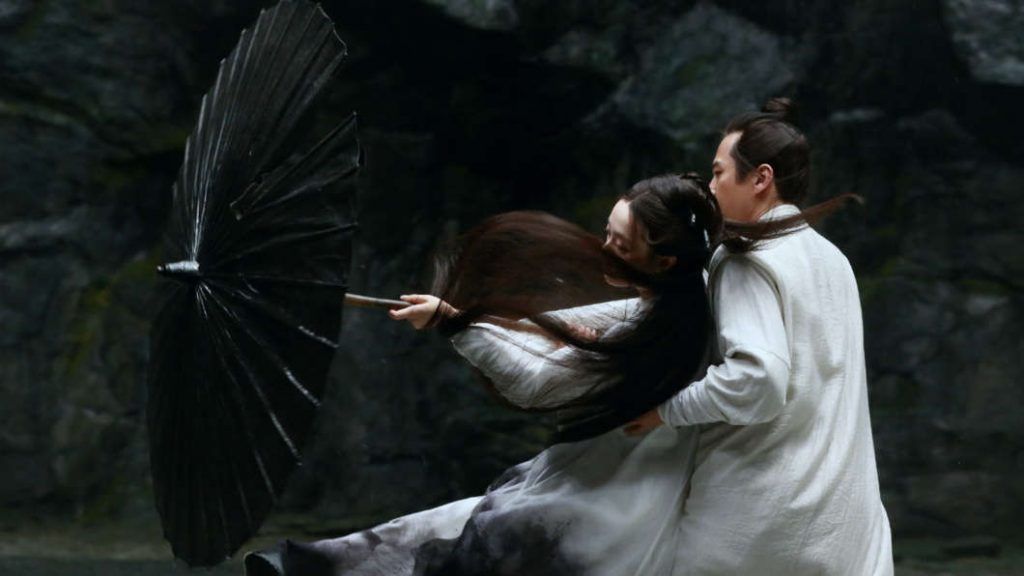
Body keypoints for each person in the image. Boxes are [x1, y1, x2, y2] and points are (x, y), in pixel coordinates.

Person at [244, 174, 726, 576]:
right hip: (603, 480)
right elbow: (569, 327)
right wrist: (462, 317)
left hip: (607, 508)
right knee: (434, 534)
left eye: (619, 244)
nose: (603, 248)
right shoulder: (682, 297)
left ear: (664, 261)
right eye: (607, 233)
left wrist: (453, 324)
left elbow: (536, 385)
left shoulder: (656, 335)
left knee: (457, 543)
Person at [626, 98, 894, 574]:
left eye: (718, 173)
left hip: (756, 524)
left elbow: (758, 380)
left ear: (761, 178)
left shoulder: (745, 257)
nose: (710, 188)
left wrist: (665, 411)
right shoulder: (834, 260)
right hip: (846, 527)